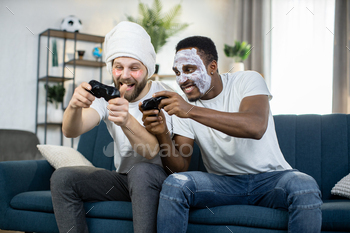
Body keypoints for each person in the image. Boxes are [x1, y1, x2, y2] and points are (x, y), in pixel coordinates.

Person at [141, 36, 323, 233]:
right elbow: (179, 168)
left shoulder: (248, 80)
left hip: (271, 179)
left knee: (304, 185)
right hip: (223, 184)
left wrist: (190, 111)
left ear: (212, 67)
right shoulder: (182, 106)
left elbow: (255, 126)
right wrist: (163, 135)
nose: (181, 80)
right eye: (177, 72)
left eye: (189, 69)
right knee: (175, 184)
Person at [50, 21, 172, 233]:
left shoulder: (163, 96)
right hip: (124, 181)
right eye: (119, 67)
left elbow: (151, 151)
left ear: (147, 70)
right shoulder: (107, 97)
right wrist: (74, 105)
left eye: (134, 68)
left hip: (159, 182)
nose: (125, 75)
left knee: (141, 171)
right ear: (112, 68)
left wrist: (126, 120)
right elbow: (71, 130)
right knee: (63, 178)